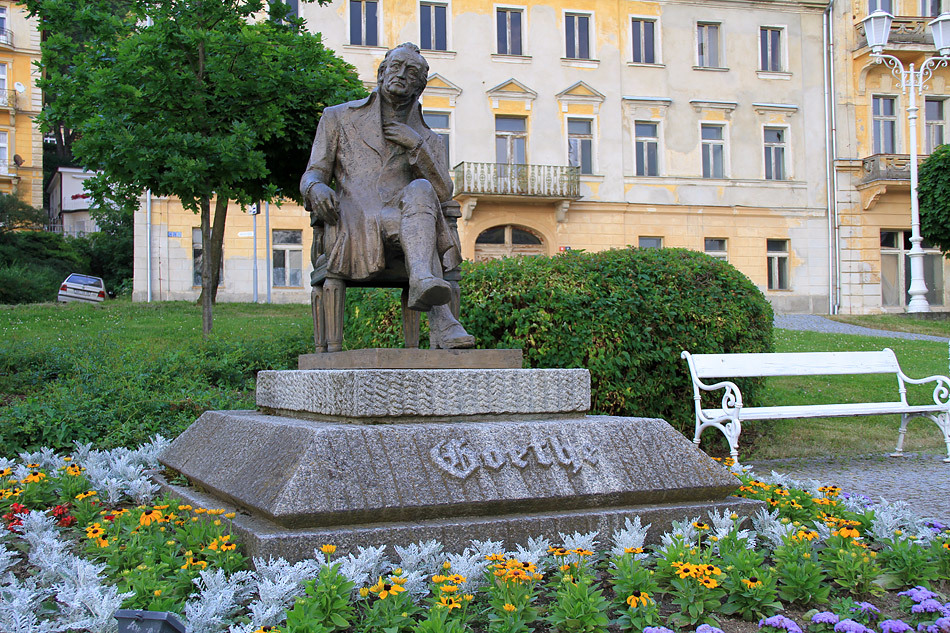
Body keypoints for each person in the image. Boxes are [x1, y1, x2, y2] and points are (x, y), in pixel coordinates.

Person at [301, 42, 474, 349]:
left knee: (421, 190)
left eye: (411, 72)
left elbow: (444, 192)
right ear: (381, 74)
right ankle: (442, 319)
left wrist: (416, 148)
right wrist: (316, 188)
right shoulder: (338, 118)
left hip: (406, 222)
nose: (401, 75)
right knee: (424, 231)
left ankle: (421, 277)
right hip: (354, 221)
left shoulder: (428, 139)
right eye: (395, 67)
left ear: (419, 87)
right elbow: (313, 172)